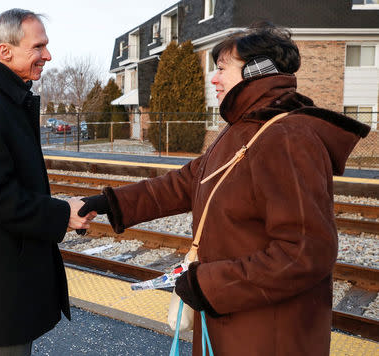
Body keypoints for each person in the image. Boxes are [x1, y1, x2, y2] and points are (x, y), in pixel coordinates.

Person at [78, 22, 370, 356]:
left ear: (258, 71)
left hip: (268, 336)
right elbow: (186, 182)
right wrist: (104, 203)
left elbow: (306, 252)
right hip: (233, 324)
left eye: (221, 69)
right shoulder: (245, 130)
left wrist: (209, 284)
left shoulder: (286, 138)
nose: (213, 79)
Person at [0, 9, 94, 355]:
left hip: (6, 278)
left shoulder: (3, 100)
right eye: (38, 47)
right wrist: (61, 214)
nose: (47, 55)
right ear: (5, 52)